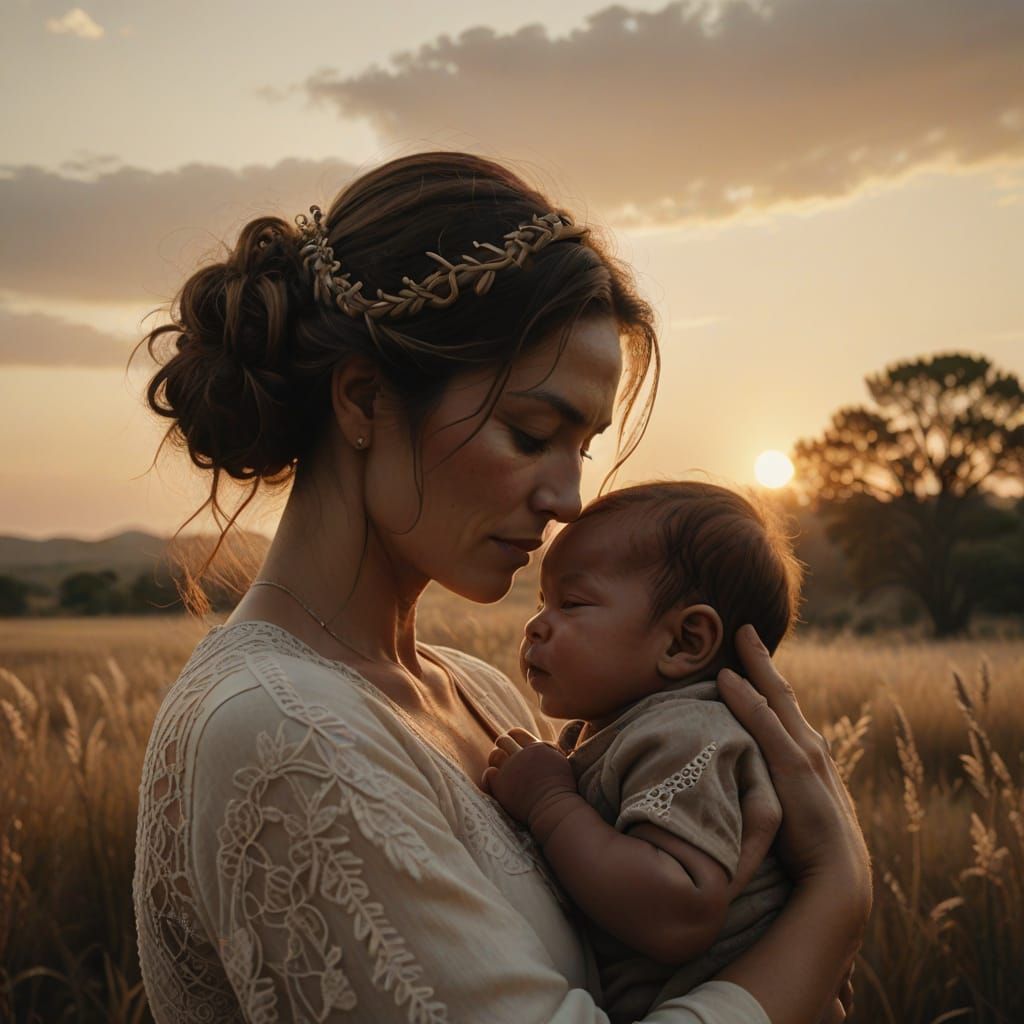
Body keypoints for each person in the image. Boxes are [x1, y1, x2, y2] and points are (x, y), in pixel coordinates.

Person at [131, 151, 870, 1024]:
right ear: (364, 399)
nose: (568, 500)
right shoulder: (280, 732)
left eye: (582, 447)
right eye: (530, 434)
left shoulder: (476, 691)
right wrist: (834, 903)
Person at [482, 481, 806, 1022]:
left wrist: (550, 805)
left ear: (684, 642)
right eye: (542, 603)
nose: (536, 625)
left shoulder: (689, 737)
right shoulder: (621, 727)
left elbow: (679, 913)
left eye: (573, 603)